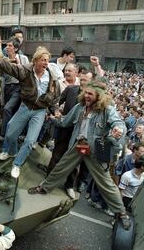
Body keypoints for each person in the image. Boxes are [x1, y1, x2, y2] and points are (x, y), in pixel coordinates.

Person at [28, 81, 131, 230]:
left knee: (106, 183)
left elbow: (119, 123)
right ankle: (44, 187)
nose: (87, 96)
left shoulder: (107, 110)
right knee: (60, 168)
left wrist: (118, 129)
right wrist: (51, 118)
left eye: (90, 94)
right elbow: (64, 122)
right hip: (78, 146)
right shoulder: (79, 108)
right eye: (86, 93)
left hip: (95, 151)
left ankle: (121, 213)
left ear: (99, 96)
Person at [0, 47, 60, 178]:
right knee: (10, 133)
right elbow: (9, 67)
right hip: (25, 107)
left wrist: (55, 110)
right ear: (35, 61)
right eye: (43, 60)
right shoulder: (25, 71)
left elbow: (55, 98)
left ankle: (17, 164)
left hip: (39, 111)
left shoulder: (52, 77)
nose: (46, 63)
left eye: (47, 60)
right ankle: (10, 151)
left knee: (30, 141)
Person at [44, 70, 93, 199]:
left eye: (86, 80)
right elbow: (56, 101)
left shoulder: (95, 99)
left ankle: (69, 185)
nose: (82, 82)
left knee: (75, 162)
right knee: (56, 155)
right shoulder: (71, 90)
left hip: (82, 136)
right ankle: (48, 180)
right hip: (65, 130)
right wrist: (56, 111)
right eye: (81, 79)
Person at [0, 37, 30, 138]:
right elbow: (0, 75)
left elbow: (27, 73)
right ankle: (13, 135)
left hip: (18, 87)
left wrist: (18, 64)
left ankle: (4, 134)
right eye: (6, 45)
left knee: (8, 108)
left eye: (10, 46)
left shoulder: (23, 58)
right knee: (8, 109)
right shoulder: (4, 60)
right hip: (7, 87)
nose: (7, 48)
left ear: (16, 49)